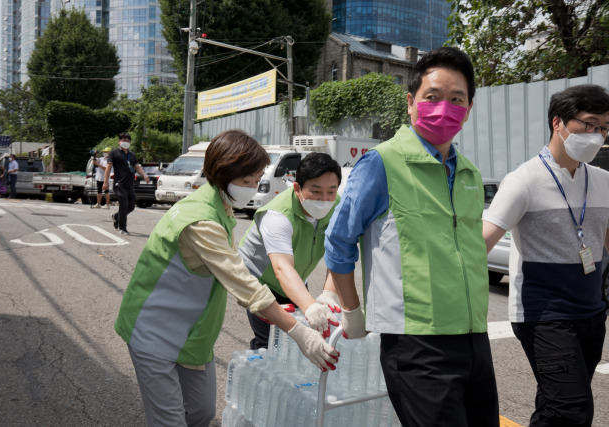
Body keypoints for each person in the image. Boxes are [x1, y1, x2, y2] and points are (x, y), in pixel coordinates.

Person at [114, 130, 338, 427]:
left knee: (201, 414)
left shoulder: (222, 208)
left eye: (256, 180)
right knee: (170, 421)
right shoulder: (200, 219)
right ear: (221, 174)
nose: (253, 187)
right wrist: (299, 332)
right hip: (155, 331)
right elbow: (243, 282)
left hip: (192, 336)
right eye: (246, 181)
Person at [324, 47, 499, 427]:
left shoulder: (468, 173)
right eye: (432, 97)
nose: (444, 107)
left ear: (468, 110)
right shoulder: (381, 163)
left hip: (474, 338)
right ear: (410, 102)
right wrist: (353, 312)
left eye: (457, 100)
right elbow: (339, 241)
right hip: (417, 344)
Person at [483, 85, 609, 427]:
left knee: (556, 405)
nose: (597, 135)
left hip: (592, 313)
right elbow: (481, 242)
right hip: (543, 315)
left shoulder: (603, 181)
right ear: (559, 123)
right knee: (573, 408)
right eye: (590, 124)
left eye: (604, 127)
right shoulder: (522, 181)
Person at [239, 152, 343, 349]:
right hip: (261, 281)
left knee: (299, 342)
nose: (324, 199)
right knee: (271, 342)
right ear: (297, 188)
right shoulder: (278, 215)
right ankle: (259, 372)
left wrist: (329, 292)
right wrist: (310, 305)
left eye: (331, 191)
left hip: (295, 279)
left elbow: (340, 251)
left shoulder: (337, 205)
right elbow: (282, 268)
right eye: (316, 191)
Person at [102, 133, 149, 235]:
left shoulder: (132, 155)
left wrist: (144, 176)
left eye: (128, 141)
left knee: (131, 206)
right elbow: (108, 168)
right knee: (124, 205)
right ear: (119, 142)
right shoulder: (114, 153)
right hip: (119, 184)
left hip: (130, 184)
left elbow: (137, 166)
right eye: (124, 140)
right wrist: (105, 182)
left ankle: (117, 217)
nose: (126, 142)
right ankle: (122, 228)